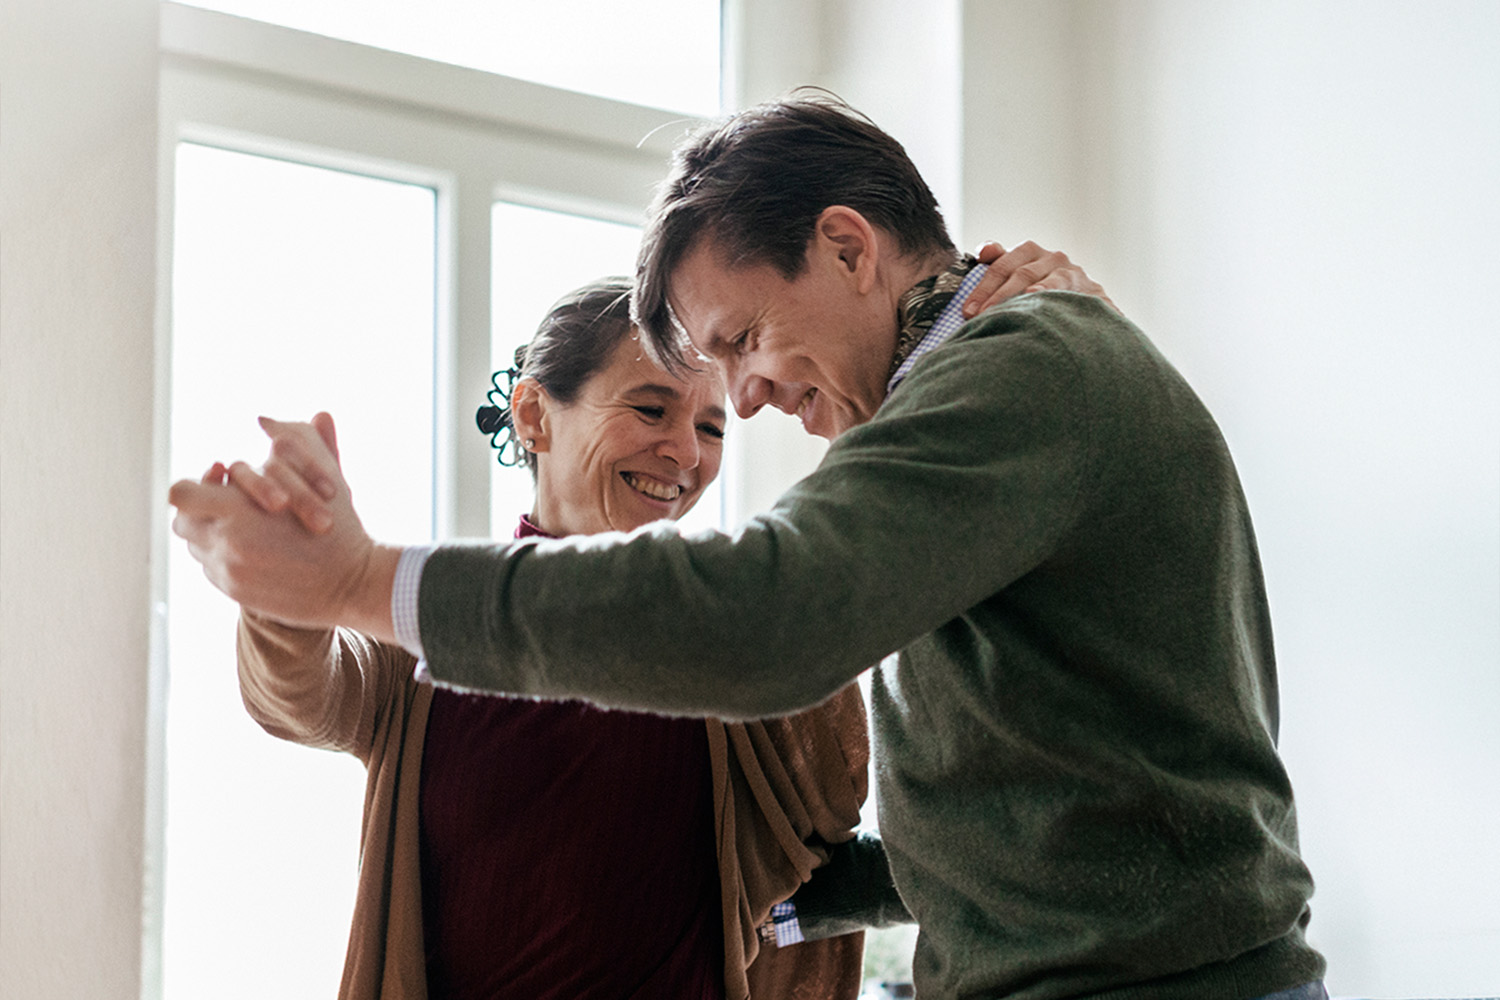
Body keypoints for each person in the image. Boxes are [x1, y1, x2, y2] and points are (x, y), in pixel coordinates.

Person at [171, 93, 1325, 1000]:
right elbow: (1023, 800)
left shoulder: (1021, 372)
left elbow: (760, 624)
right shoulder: (1010, 369)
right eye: (680, 391)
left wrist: (362, 577)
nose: (749, 403)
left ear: (846, 246)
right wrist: (306, 593)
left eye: (742, 346)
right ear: (533, 416)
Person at [223, 278, 877, 1000]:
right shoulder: (433, 626)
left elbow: (840, 817)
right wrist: (286, 592)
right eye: (651, 408)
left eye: (713, 427)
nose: (687, 453)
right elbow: (299, 693)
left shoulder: (734, 637)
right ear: (534, 415)